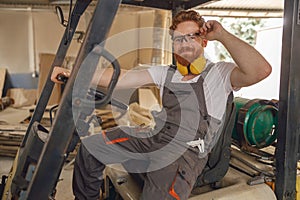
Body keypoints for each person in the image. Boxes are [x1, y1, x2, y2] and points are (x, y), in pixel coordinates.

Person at [51, 10, 271, 200]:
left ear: (204, 41)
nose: (184, 43)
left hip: (184, 153)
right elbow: (123, 77)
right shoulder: (167, 73)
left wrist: (222, 35)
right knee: (93, 147)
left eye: (191, 37)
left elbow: (261, 70)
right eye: (178, 39)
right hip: (156, 137)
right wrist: (75, 74)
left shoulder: (219, 75)